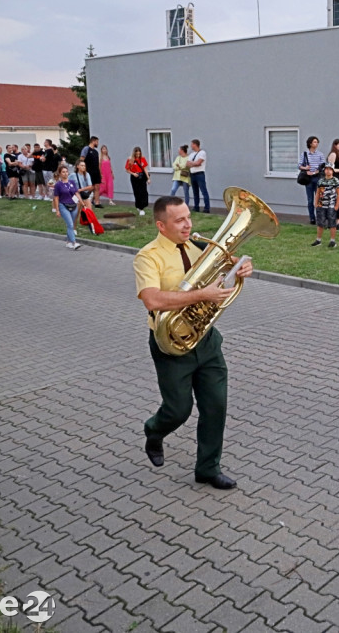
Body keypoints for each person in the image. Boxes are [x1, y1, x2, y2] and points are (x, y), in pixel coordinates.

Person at [135, 196, 253, 490]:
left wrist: (241, 270)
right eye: (179, 220)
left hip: (207, 339)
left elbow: (225, 274)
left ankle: (208, 468)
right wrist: (201, 296)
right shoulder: (148, 256)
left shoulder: (201, 248)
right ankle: (154, 430)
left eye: (188, 217)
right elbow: (152, 298)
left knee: (216, 405)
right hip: (170, 344)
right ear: (161, 226)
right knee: (178, 410)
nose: (188, 224)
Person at [52, 166, 83, 251]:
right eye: (63, 172)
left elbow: (76, 193)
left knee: (71, 224)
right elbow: (56, 197)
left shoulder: (72, 182)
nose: (65, 173)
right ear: (60, 174)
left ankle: (68, 242)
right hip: (63, 205)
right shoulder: (58, 184)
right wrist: (57, 210)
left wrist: (82, 202)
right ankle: (74, 242)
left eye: (66, 172)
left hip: (73, 205)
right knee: (70, 224)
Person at [312, 164, 339, 247]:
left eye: (330, 169)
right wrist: (316, 203)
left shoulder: (335, 181)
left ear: (332, 171)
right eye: (326, 169)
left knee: (332, 223)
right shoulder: (321, 181)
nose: (328, 171)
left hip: (331, 205)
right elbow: (318, 192)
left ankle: (332, 240)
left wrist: (337, 205)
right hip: (321, 205)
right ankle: (318, 240)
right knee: (320, 222)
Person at [298, 136, 326, 225]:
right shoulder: (304, 154)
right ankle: (312, 218)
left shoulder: (320, 154)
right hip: (308, 179)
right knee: (310, 200)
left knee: (319, 199)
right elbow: (299, 165)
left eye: (317, 142)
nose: (316, 143)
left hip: (317, 177)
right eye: (314, 142)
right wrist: (306, 168)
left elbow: (323, 165)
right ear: (310, 143)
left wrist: (318, 171)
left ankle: (319, 217)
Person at [126, 146, 151, 216]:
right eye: (136, 154)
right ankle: (140, 208)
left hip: (142, 176)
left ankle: (143, 205)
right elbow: (127, 169)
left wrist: (148, 178)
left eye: (139, 154)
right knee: (137, 193)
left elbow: (145, 169)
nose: (138, 155)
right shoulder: (130, 160)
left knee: (144, 192)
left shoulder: (142, 159)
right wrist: (133, 173)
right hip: (135, 177)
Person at [186, 139, 209, 213]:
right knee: (195, 192)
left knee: (203, 191)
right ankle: (196, 207)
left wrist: (192, 163)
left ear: (195, 144)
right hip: (192, 174)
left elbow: (199, 163)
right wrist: (194, 163)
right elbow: (187, 164)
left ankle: (206, 208)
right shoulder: (191, 154)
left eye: (192, 144)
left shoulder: (202, 153)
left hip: (199, 174)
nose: (191, 146)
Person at [82, 136, 103, 208]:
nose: (97, 143)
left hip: (96, 171)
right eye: (97, 142)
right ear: (93, 141)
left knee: (97, 187)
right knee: (91, 187)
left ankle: (97, 203)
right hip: (89, 171)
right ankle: (83, 197)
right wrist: (83, 170)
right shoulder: (86, 149)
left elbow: (98, 163)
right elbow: (81, 159)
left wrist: (100, 173)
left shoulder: (96, 152)